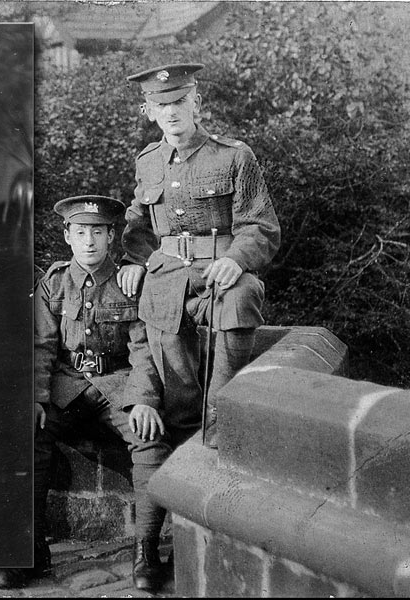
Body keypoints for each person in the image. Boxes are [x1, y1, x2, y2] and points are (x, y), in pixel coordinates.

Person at [0, 195, 174, 592]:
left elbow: (145, 349)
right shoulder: (54, 283)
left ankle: (145, 550)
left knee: (150, 440)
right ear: (67, 237)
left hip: (118, 384)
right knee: (26, 434)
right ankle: (29, 550)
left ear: (112, 237)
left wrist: (144, 399)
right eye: (80, 232)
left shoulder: (131, 281)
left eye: (98, 232)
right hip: (67, 385)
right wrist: (37, 398)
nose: (89, 241)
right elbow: (41, 345)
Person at [117, 63, 281, 449]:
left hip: (218, 275)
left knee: (241, 295)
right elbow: (137, 226)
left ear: (197, 103)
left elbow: (261, 225)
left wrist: (236, 260)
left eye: (179, 101)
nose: (171, 112)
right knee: (169, 359)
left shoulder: (233, 156)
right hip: (169, 276)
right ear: (149, 111)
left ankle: (221, 419)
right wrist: (134, 264)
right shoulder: (148, 161)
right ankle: (186, 431)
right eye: (161, 105)